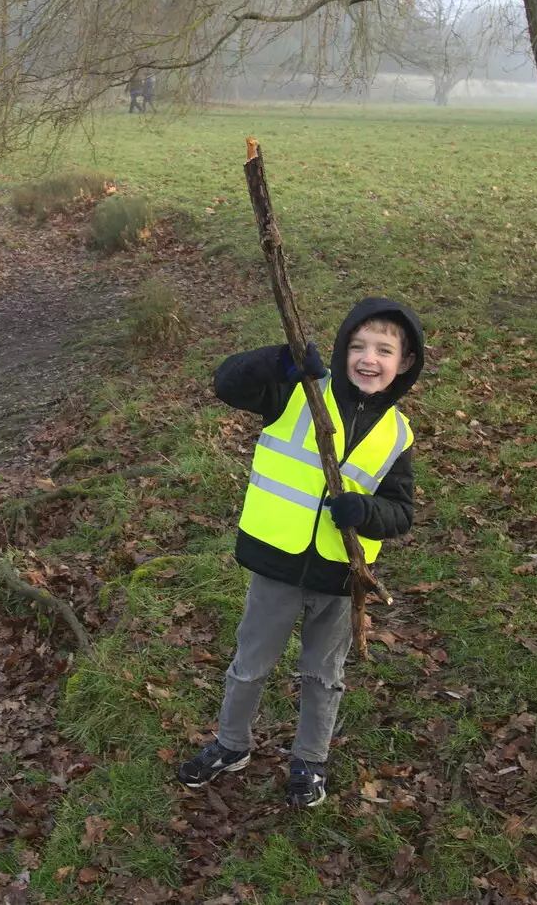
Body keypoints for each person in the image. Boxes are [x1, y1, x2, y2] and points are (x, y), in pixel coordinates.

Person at [176, 297, 424, 807]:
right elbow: (227, 383)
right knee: (250, 662)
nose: (368, 359)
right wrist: (281, 360)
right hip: (277, 564)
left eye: (384, 350)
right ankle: (231, 743)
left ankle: (309, 762)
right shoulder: (300, 392)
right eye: (357, 346)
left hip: (339, 577)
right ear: (339, 350)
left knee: (322, 674)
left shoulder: (398, 435)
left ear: (404, 364)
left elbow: (400, 512)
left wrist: (365, 512)